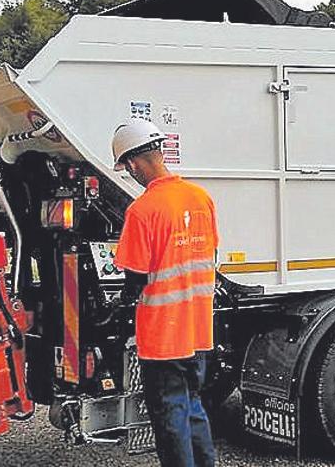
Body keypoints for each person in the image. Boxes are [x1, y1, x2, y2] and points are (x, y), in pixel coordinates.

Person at [111, 119, 218, 467]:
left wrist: (118, 306)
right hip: (199, 329)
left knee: (170, 413)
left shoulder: (143, 210)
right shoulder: (201, 198)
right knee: (192, 404)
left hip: (163, 335)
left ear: (132, 163)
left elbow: (135, 277)